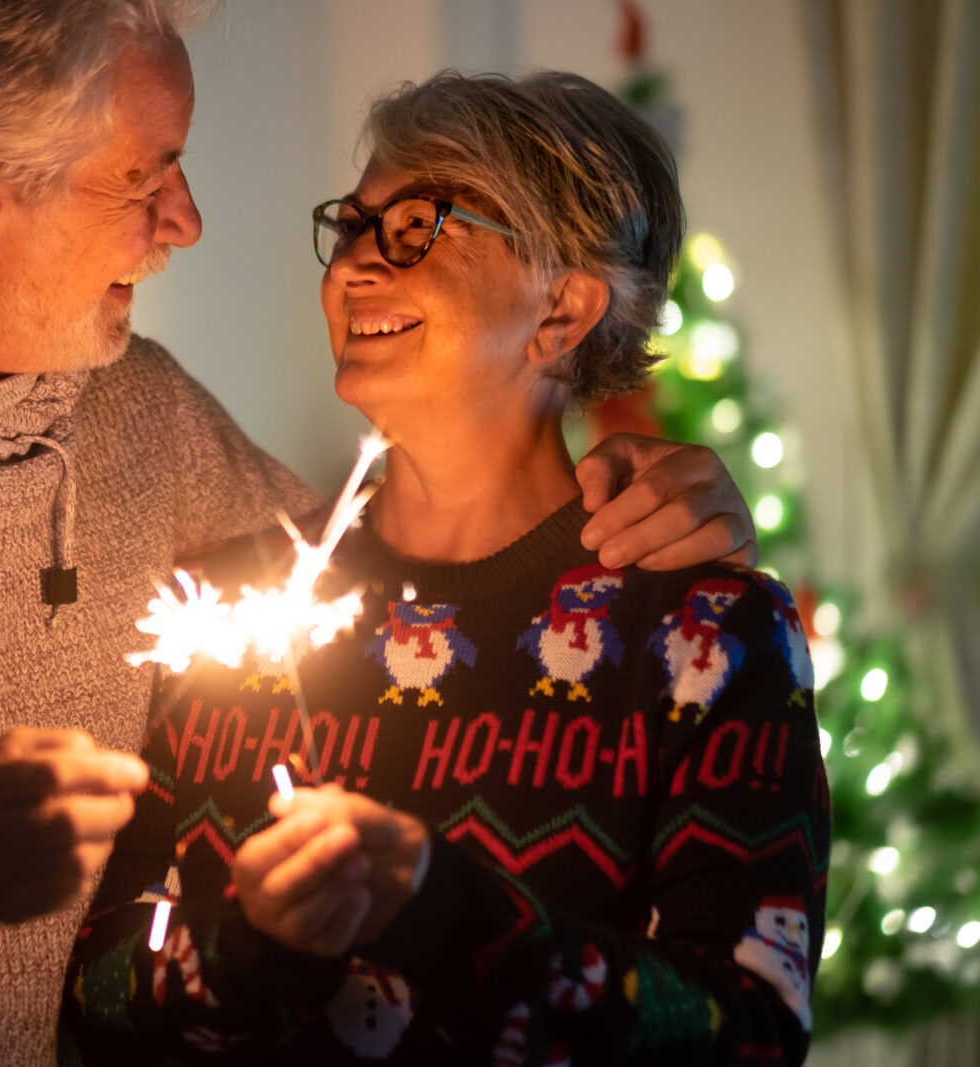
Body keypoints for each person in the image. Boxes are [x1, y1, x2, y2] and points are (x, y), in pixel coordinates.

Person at [0, 3, 758, 1064]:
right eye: (146, 176)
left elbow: (415, 541)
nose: (186, 220)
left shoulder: (141, 413)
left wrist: (654, 481)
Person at [62, 69, 828, 1066]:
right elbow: (95, 985)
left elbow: (748, 1032)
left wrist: (439, 904)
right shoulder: (226, 601)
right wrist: (256, 945)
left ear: (562, 310)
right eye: (350, 226)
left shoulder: (703, 637)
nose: (351, 271)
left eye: (416, 227)